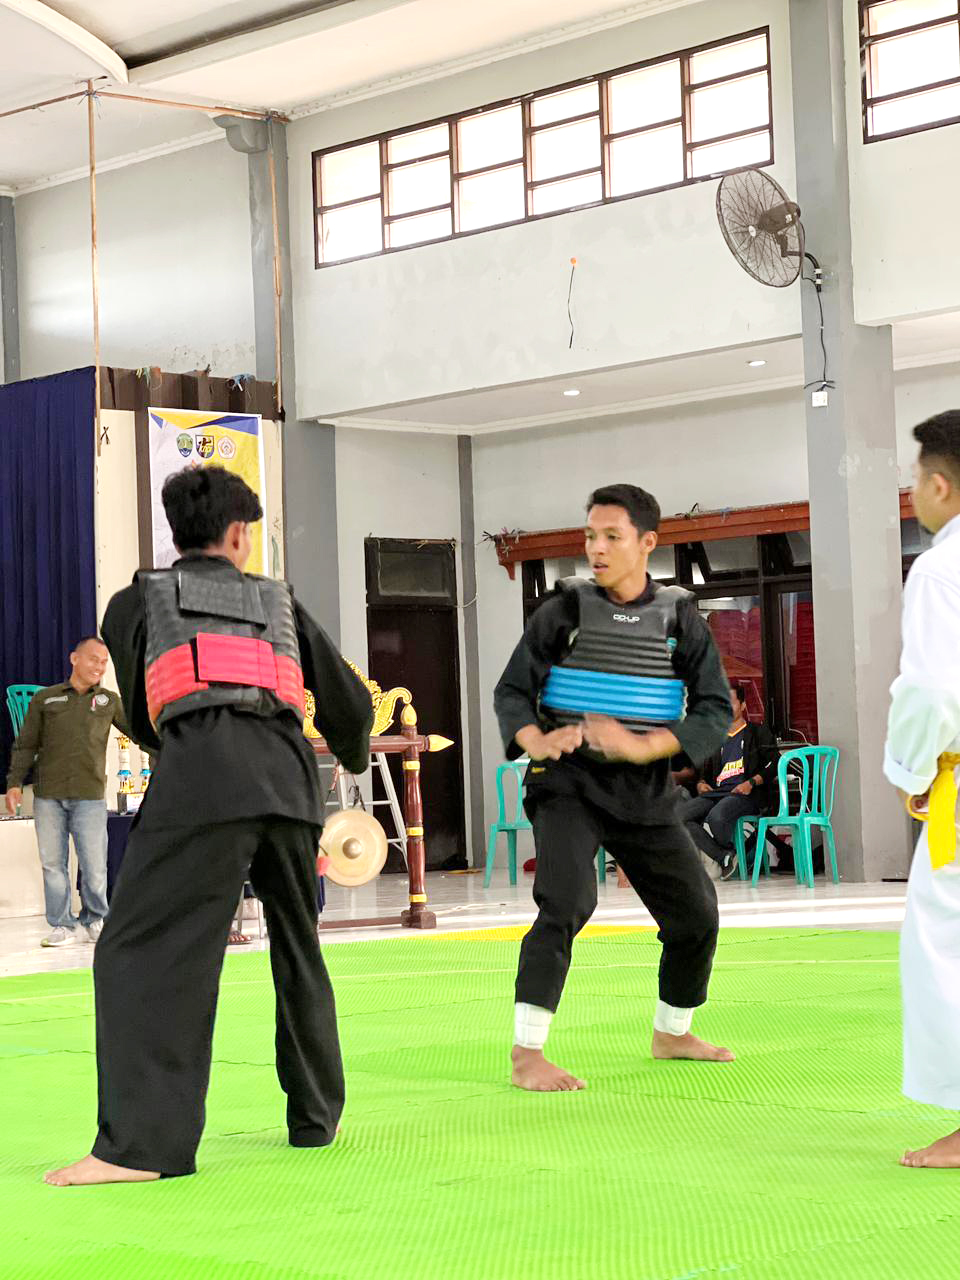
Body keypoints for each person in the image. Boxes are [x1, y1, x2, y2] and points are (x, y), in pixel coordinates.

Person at [45, 465, 373, 1187]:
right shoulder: (281, 601)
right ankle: (317, 1117)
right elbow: (349, 704)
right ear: (238, 535)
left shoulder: (136, 600)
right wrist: (349, 760)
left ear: (178, 534)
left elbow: (145, 709)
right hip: (290, 780)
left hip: (204, 775)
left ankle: (139, 1148)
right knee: (298, 944)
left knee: (139, 951)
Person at [494, 483, 734, 1093]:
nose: (596, 549)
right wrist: (534, 739)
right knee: (567, 902)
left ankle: (673, 1032)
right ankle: (527, 1054)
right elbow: (512, 691)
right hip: (566, 782)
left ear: (647, 543)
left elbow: (713, 708)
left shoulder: (680, 617)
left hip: (645, 789)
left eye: (611, 537)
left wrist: (644, 747)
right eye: (590, 536)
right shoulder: (563, 612)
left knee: (696, 912)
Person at [884, 411, 960, 1170]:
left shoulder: (941, 570)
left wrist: (910, 770)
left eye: (915, 480)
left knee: (945, 942)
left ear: (940, 484)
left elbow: (932, 690)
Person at [5, 638, 127, 947]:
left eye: (104, 662)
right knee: (53, 864)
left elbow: (139, 733)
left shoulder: (109, 701)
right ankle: (63, 925)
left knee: (95, 865)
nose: (99, 666)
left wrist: (168, 753)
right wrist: (14, 783)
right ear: (74, 658)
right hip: (49, 796)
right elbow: (25, 745)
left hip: (90, 796)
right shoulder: (46, 699)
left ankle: (95, 919)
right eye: (93, 659)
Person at [680, 683, 778, 880]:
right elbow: (703, 772)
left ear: (743, 705)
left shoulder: (758, 732)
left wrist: (751, 783)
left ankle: (738, 853)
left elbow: (774, 763)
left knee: (717, 818)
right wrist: (700, 783)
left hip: (745, 793)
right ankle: (724, 856)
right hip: (717, 792)